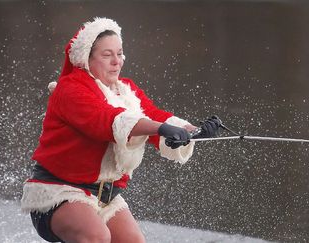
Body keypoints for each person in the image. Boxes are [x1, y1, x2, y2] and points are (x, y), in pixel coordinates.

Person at [21, 17, 221, 243]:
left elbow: (153, 116)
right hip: (57, 192)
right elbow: (108, 120)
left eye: (120, 53)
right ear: (86, 59)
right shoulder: (70, 90)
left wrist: (192, 131)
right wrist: (162, 128)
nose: (117, 61)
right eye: (107, 55)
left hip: (103, 197)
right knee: (96, 236)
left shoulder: (126, 91)